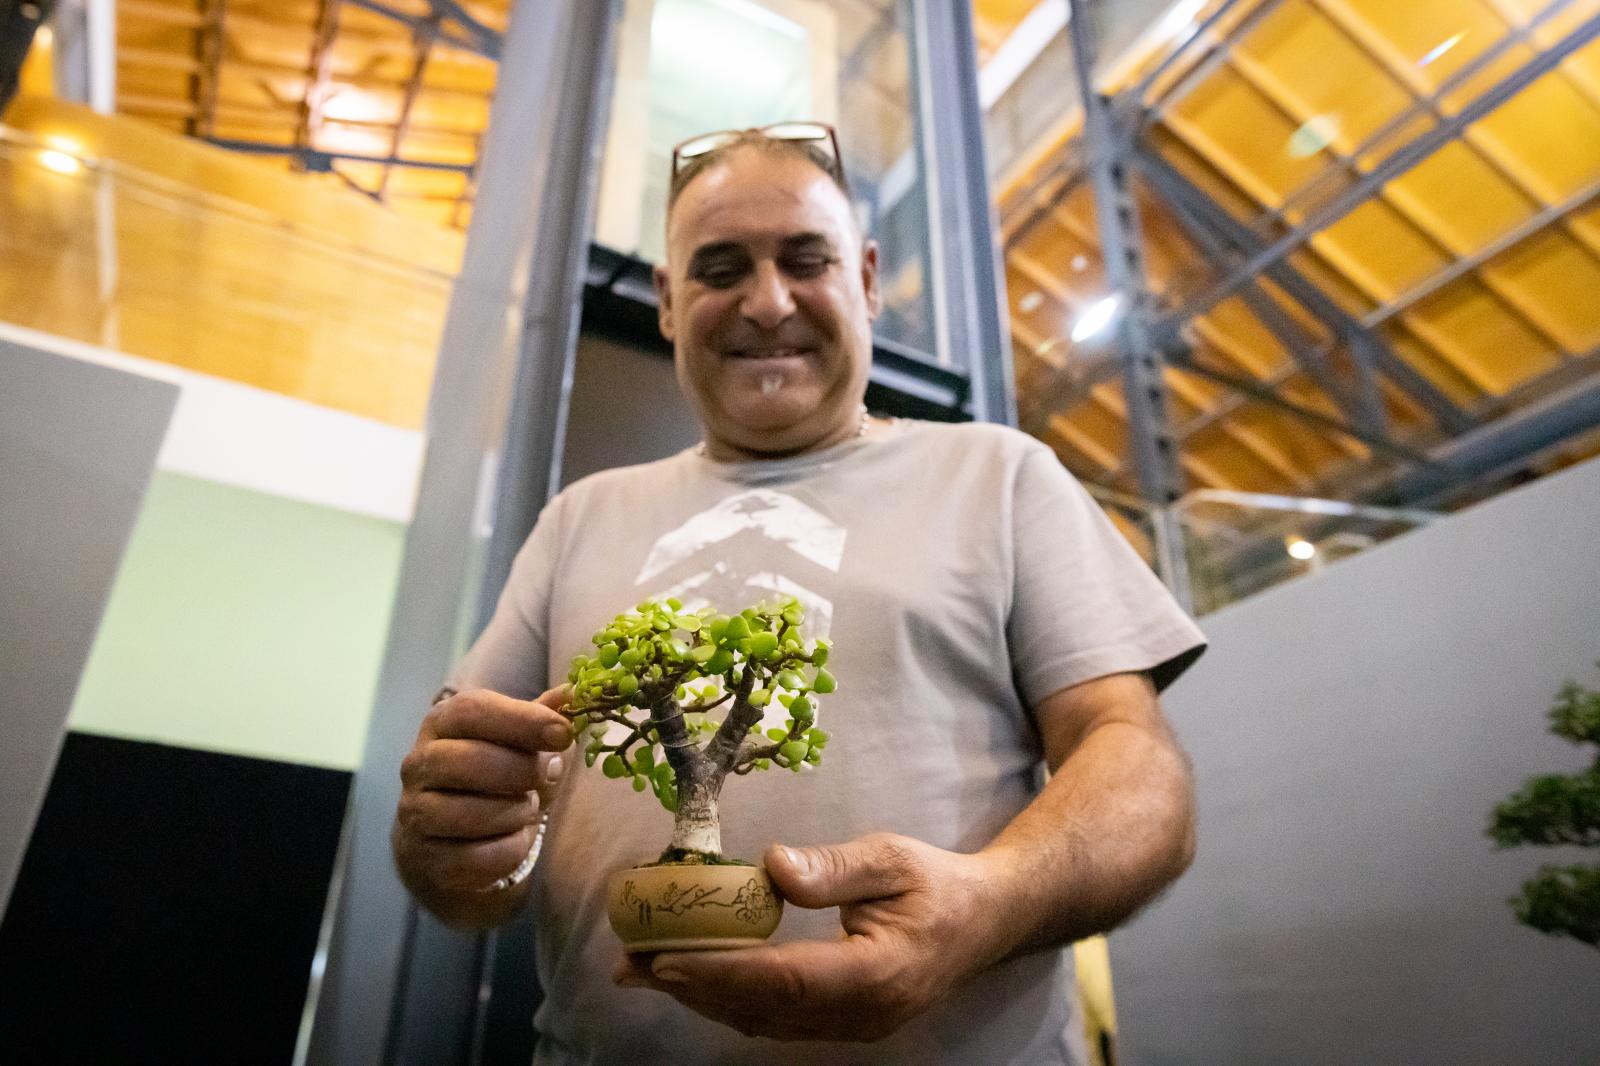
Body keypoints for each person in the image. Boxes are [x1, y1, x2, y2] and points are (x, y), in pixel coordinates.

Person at [392, 122, 1206, 1064]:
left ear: (864, 280)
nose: (768, 302)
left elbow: (1134, 760)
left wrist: (990, 904)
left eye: (805, 261)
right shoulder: (580, 517)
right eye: (721, 268)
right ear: (666, 300)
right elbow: (464, 861)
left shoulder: (999, 476)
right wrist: (455, 841)